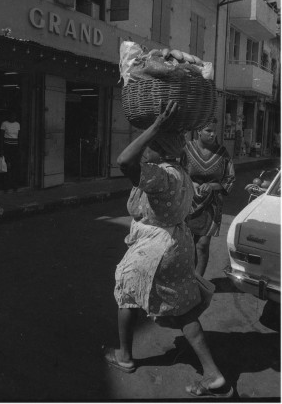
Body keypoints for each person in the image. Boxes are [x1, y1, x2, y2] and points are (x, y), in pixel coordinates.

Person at [103, 101, 233, 398]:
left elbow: (124, 161)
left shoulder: (159, 176)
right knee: (185, 310)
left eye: (148, 145)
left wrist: (157, 126)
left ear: (157, 148)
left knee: (127, 295)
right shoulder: (181, 173)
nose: (143, 149)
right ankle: (212, 374)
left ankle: (125, 356)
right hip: (177, 245)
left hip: (156, 247)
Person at [181, 119, 235, 276]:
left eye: (214, 131)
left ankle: (198, 281)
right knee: (187, 244)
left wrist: (212, 186)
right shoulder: (187, 149)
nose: (213, 134)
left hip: (211, 205)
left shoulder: (222, 153)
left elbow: (230, 178)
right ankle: (185, 277)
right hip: (188, 202)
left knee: (202, 245)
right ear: (199, 131)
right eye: (208, 131)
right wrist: (191, 183)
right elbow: (178, 172)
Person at [0, 110, 20, 191]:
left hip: (15, 147)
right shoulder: (4, 123)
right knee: (6, 167)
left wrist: (19, 148)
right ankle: (6, 186)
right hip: (7, 147)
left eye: (14, 115)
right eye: (11, 115)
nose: (13, 117)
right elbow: (1, 137)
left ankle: (14, 185)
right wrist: (1, 149)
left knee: (14, 166)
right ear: (8, 116)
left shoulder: (18, 124)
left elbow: (18, 136)